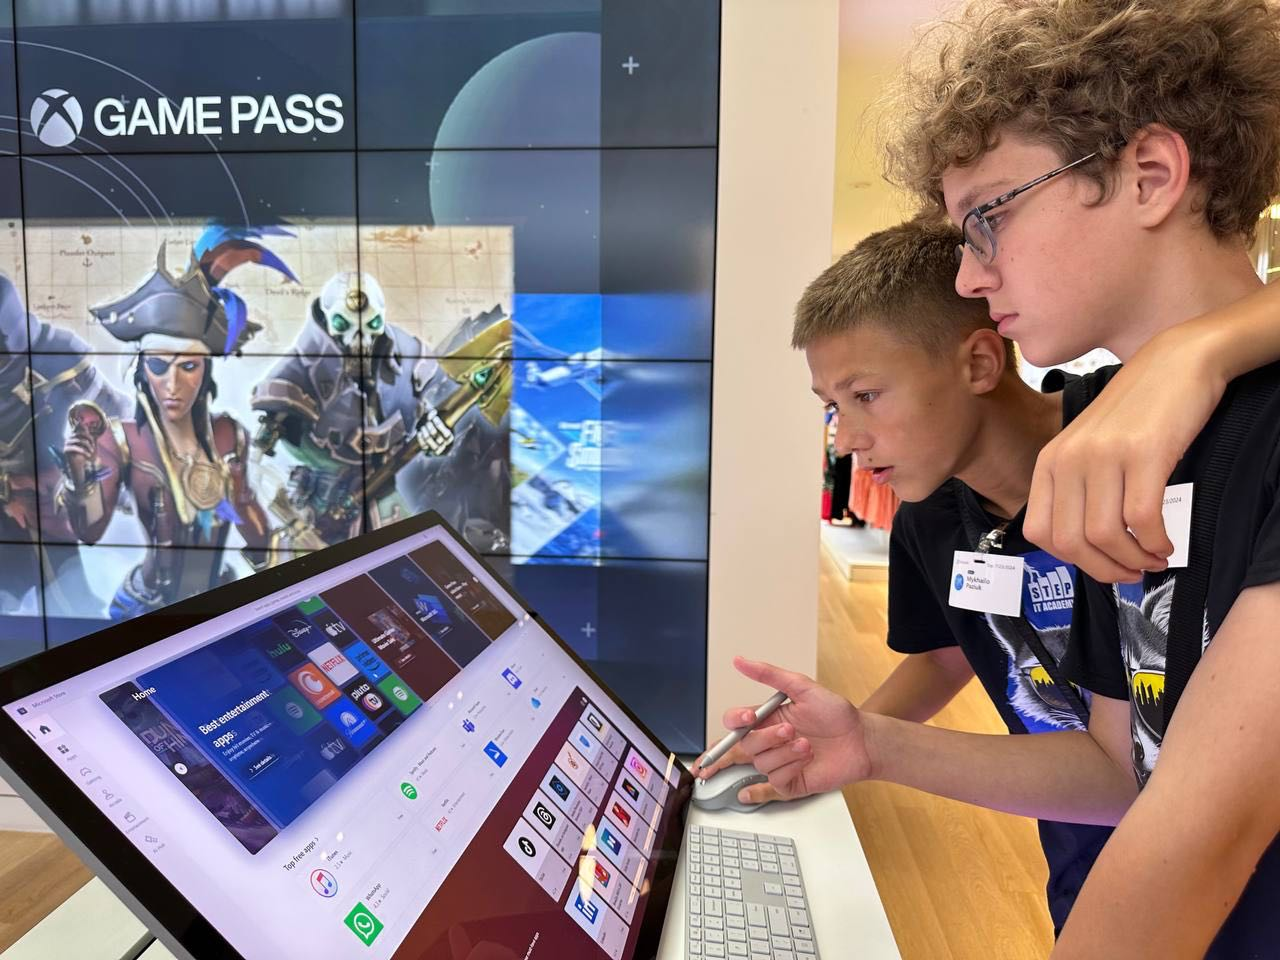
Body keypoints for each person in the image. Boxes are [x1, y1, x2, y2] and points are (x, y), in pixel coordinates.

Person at [712, 1, 1280, 956]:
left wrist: (1198, 350)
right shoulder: (1105, 456)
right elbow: (1120, 769)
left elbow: (1204, 836)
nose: (970, 277)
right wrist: (872, 742)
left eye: (988, 218)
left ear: (1150, 176)